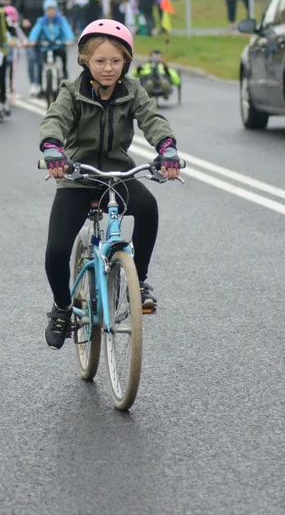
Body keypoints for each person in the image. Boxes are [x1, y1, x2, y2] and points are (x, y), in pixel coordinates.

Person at [38, 19, 181, 348]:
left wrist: (167, 148)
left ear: (126, 62)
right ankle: (62, 308)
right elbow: (55, 120)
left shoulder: (133, 91)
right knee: (57, 250)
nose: (108, 68)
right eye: (100, 61)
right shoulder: (71, 92)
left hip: (117, 175)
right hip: (77, 175)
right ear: (85, 60)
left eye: (116, 61)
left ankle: (139, 281)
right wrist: (52, 150)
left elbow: (153, 119)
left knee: (148, 209)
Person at [28, 0, 75, 86]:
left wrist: (69, 39)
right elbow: (35, 31)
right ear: (45, 11)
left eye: (53, 9)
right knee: (42, 64)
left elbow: (67, 30)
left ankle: (64, 70)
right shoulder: (41, 21)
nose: (51, 12)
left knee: (63, 54)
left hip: (58, 44)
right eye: (48, 10)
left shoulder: (61, 19)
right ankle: (41, 84)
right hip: (46, 46)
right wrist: (32, 40)